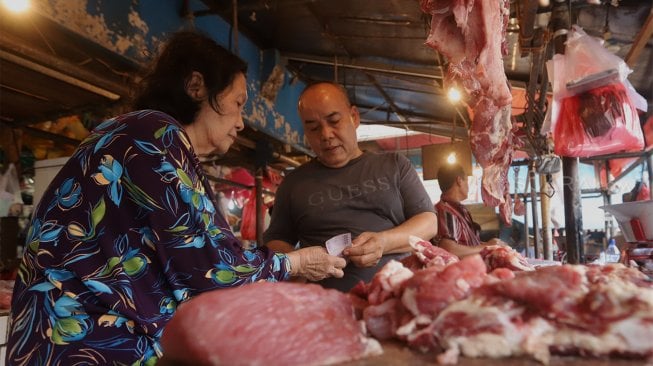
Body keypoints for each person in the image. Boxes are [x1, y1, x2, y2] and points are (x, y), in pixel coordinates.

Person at [6, 31, 345, 365]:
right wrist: (296, 263)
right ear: (196, 87)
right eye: (238, 103)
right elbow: (212, 271)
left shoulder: (139, 137)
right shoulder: (154, 134)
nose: (242, 123)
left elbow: (191, 256)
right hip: (86, 343)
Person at [263, 81, 437, 292]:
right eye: (313, 128)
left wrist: (383, 242)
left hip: (396, 297)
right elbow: (275, 241)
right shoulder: (293, 184)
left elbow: (429, 222)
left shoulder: (395, 166)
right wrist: (300, 265)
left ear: (354, 117)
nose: (326, 134)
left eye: (334, 121)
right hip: (325, 305)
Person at [433, 162, 506, 257]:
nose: (468, 186)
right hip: (460, 270)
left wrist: (489, 244)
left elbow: (468, 245)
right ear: (459, 180)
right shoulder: (445, 211)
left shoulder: (459, 210)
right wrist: (486, 246)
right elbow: (449, 249)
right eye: (466, 180)